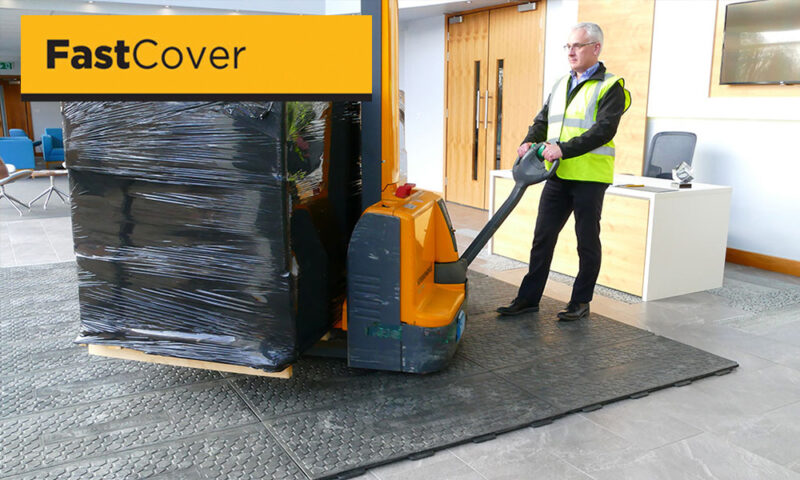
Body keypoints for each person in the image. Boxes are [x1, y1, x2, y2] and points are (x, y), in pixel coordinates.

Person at [497, 22, 631, 321]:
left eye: (578, 46)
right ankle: (528, 299)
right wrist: (529, 140)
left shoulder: (611, 86)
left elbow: (603, 131)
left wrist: (563, 149)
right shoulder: (561, 84)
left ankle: (580, 302)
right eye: (568, 46)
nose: (571, 51)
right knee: (542, 236)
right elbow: (543, 120)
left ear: (596, 48)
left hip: (589, 177)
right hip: (557, 174)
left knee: (586, 241)